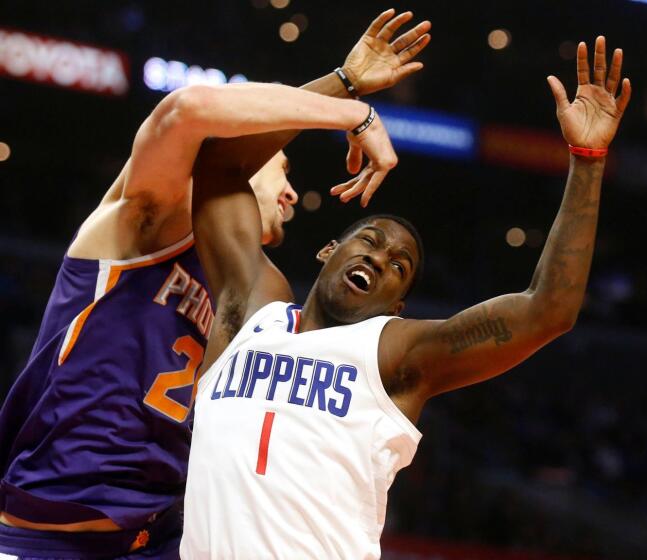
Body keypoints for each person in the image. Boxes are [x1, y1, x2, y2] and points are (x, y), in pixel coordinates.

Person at [180, 36, 632, 559]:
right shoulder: (251, 309)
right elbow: (219, 164)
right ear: (329, 250)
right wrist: (344, 95)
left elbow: (547, 310)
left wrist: (588, 161)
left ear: (397, 306)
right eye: (369, 242)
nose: (378, 259)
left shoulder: (393, 353)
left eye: (400, 266)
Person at [0, 9, 429, 558]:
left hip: (164, 536)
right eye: (285, 170)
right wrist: (348, 102)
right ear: (240, 158)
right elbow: (190, 110)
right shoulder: (143, 221)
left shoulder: (265, 295)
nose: (294, 195)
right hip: (55, 531)